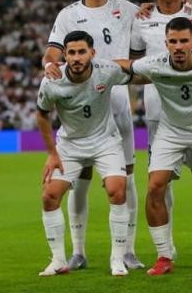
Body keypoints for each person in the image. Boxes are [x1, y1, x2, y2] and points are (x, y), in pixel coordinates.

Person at [42, 0, 143, 270]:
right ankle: (78, 251)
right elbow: (53, 50)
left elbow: (157, 22)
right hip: (82, 100)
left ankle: (128, 251)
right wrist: (49, 64)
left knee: (125, 179)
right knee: (80, 179)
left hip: (117, 100)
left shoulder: (128, 9)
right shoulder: (68, 14)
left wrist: (180, 4)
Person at [126, 17, 192, 275]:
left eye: (184, 41)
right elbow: (124, 66)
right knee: (155, 187)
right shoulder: (154, 63)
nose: (178, 46)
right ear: (165, 43)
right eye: (173, 41)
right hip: (170, 132)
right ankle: (164, 256)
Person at [130, 0, 192, 269]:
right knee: (160, 180)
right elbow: (134, 66)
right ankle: (165, 250)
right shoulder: (140, 19)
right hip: (158, 111)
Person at [37, 31, 135, 276]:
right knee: (49, 196)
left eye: (82, 52)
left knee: (117, 190)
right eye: (71, 53)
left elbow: (137, 71)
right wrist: (52, 154)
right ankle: (58, 260)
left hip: (106, 142)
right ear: (65, 55)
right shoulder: (52, 80)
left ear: (92, 53)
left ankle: (117, 259)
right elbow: (42, 114)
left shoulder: (106, 70)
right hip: (70, 145)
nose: (76, 57)